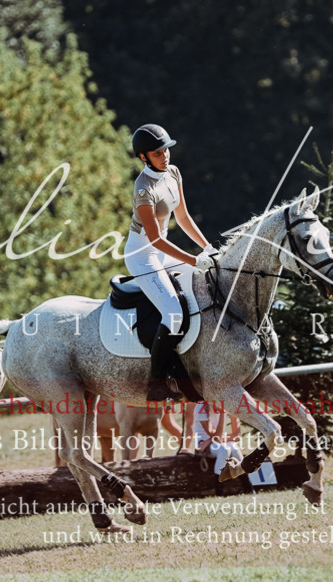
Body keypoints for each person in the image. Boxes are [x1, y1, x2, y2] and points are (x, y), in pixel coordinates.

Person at [127, 124, 218, 401]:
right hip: (143, 256)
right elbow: (155, 240)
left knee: (205, 282)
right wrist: (192, 259)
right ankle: (155, 383)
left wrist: (207, 248)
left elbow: (184, 218)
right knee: (174, 313)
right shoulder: (143, 189)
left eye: (166, 149)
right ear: (143, 157)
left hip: (163, 251)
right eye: (157, 153)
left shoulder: (173, 172)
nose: (164, 155)